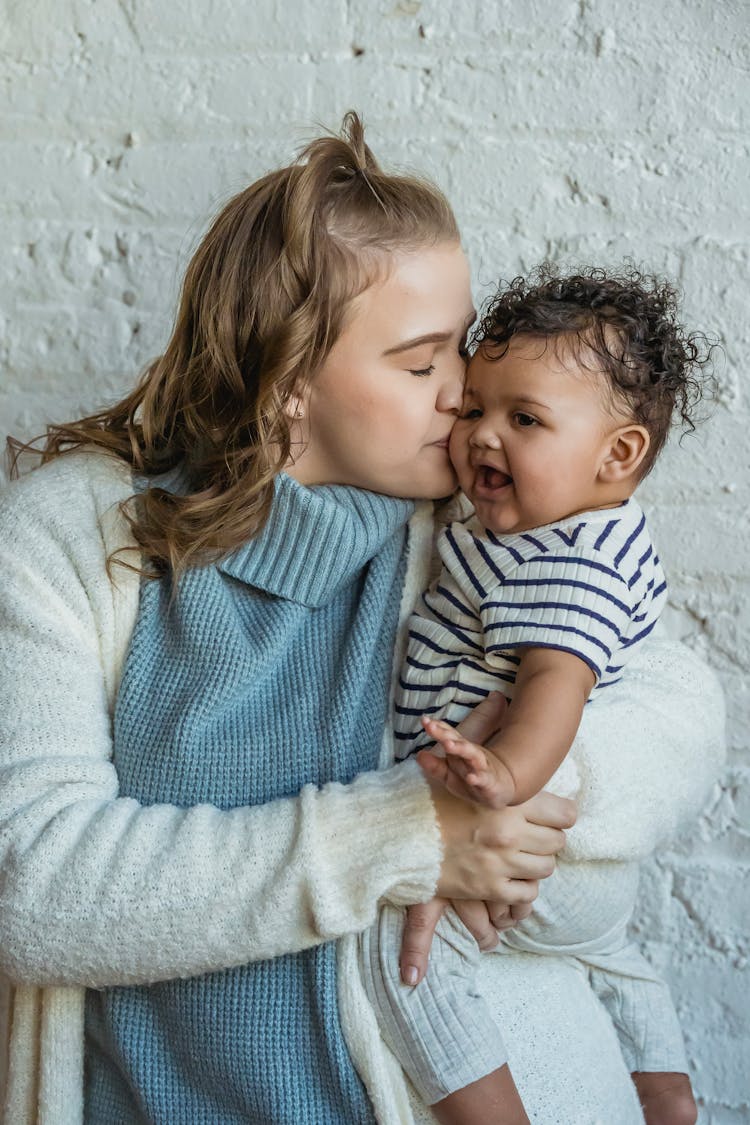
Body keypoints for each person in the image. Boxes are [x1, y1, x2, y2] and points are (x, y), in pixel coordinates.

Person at [0, 114, 723, 1125]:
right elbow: (32, 892)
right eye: (422, 363)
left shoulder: (484, 515)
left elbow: (684, 704)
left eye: (461, 351)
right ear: (291, 383)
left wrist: (527, 777)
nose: (466, 393)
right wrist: (407, 830)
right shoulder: (72, 536)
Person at [361, 268, 716, 1125]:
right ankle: (665, 1087)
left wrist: (501, 780)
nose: (482, 436)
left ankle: (492, 1112)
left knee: (402, 954)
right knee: (613, 946)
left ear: (618, 453)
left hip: (525, 846)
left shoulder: (564, 561)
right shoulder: (570, 524)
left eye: (524, 419)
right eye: (475, 407)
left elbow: (556, 686)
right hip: (589, 887)